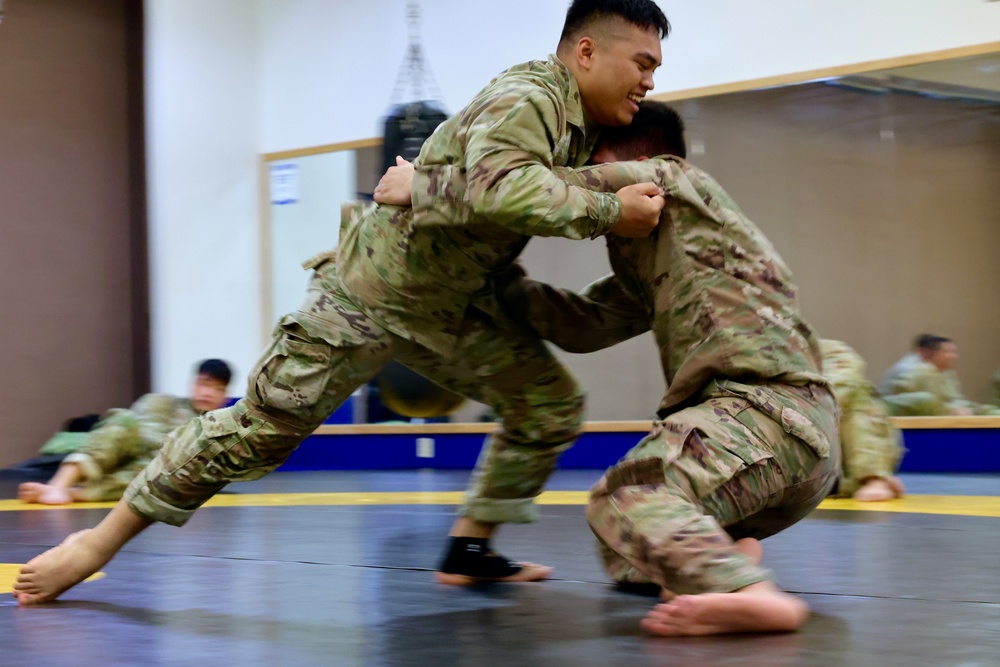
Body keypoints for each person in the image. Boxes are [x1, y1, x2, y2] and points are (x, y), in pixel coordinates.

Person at [13, 0, 671, 604]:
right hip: (368, 294)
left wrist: (427, 181)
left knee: (548, 403)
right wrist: (610, 209)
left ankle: (472, 547)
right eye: (641, 63)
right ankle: (94, 542)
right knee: (254, 433)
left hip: (449, 309)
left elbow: (498, 187)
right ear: (585, 51)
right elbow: (507, 189)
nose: (649, 81)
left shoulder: (580, 126)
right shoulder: (528, 98)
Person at [489, 101, 839, 635]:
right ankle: (727, 556)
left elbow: (538, 186)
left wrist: (424, 187)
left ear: (619, 155)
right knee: (627, 551)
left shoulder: (671, 179)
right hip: (792, 449)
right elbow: (582, 324)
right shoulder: (666, 250)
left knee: (628, 495)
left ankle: (755, 594)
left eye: (592, 153)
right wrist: (499, 282)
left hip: (764, 414)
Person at [16, 360, 232, 505]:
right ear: (194, 385)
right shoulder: (161, 403)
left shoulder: (218, 429)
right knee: (123, 419)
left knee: (168, 471)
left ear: (224, 396)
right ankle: (57, 485)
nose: (209, 393)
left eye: (218, 389)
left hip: (149, 470)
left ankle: (70, 494)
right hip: (124, 449)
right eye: (206, 384)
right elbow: (127, 428)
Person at [819, 340, 905, 501]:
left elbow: (841, 387)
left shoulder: (819, 348)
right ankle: (844, 485)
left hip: (841, 454)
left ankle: (872, 476)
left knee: (856, 393)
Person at [879, 335, 1000, 416]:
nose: (953, 356)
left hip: (941, 411)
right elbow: (915, 401)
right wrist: (952, 410)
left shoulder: (947, 372)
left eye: (954, 352)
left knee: (988, 410)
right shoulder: (913, 369)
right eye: (947, 352)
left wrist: (974, 409)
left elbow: (954, 399)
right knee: (924, 399)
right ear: (931, 353)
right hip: (902, 415)